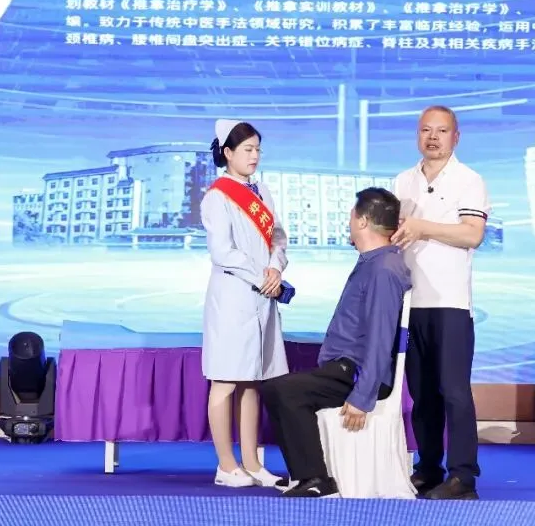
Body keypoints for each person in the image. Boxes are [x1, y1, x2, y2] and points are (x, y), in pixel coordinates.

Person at [259, 187, 411, 499]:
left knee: (286, 391)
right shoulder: (373, 262)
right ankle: (304, 474)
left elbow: (381, 338)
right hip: (345, 367)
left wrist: (363, 396)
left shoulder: (383, 269)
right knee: (277, 388)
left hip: (356, 373)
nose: (349, 221)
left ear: (363, 221)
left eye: (352, 215)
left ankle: (315, 478)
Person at [390, 105, 490, 500]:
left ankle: (462, 476)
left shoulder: (469, 180)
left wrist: (422, 227)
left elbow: (472, 234)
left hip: (450, 303)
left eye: (442, 131)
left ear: (455, 137)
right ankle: (428, 469)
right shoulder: (402, 181)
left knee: (454, 391)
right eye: (426, 130)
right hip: (410, 303)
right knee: (422, 394)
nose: (433, 138)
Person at [200, 119, 289, 488]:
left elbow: (278, 237)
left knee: (253, 381)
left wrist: (275, 267)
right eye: (248, 149)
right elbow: (222, 251)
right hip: (234, 296)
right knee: (225, 380)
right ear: (228, 152)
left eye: (258, 149)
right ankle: (226, 465)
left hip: (263, 296)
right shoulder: (216, 197)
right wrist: (261, 276)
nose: (255, 156)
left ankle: (252, 463)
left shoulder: (262, 191)